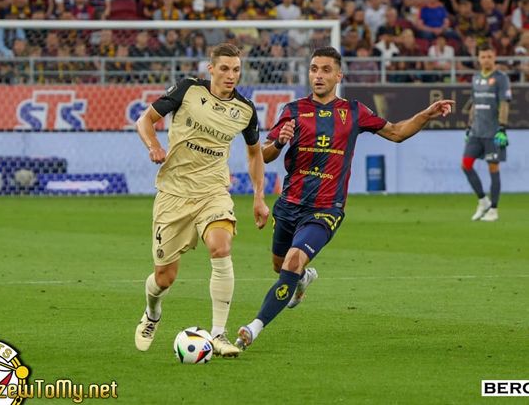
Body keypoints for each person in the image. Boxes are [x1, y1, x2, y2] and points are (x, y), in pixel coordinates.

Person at [234, 46, 454, 350]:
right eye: (314, 69)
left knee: (293, 260)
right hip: (289, 205)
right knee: (280, 267)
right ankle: (300, 281)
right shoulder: (293, 110)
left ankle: (252, 328)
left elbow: (397, 133)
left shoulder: (354, 111)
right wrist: (280, 143)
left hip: (326, 208)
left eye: (326, 70)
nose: (319, 75)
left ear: (339, 75)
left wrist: (426, 114)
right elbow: (266, 155)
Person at [134, 43, 270, 357]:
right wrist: (153, 145)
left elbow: (254, 154)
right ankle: (152, 313)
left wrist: (259, 197)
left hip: (213, 192)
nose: (230, 75)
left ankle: (219, 334)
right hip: (174, 193)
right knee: (164, 278)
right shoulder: (187, 90)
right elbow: (145, 121)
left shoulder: (245, 111)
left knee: (221, 247)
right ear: (210, 69)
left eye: (236, 70)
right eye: (224, 68)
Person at [462, 43, 511, 222]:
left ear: (494, 57)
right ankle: (483, 201)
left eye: (489, 56)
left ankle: (494, 210)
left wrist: (502, 128)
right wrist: (468, 126)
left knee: (493, 168)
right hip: (476, 131)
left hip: (493, 132)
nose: (486, 60)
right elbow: (474, 104)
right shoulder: (475, 78)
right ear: (478, 59)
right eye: (483, 57)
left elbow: (505, 104)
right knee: (466, 164)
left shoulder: (501, 78)